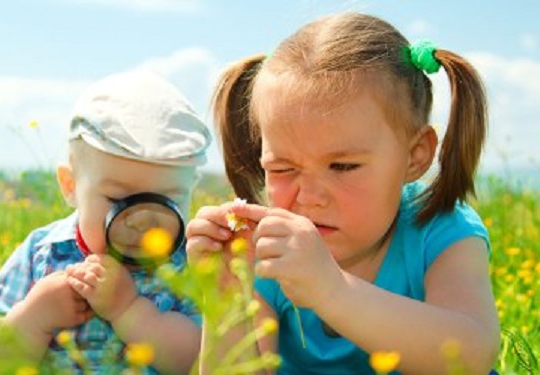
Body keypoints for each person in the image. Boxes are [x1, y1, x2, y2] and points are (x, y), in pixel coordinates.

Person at [186, 11, 500, 374]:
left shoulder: (441, 230)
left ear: (414, 157)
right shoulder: (266, 251)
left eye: (343, 167)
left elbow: (472, 356)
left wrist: (331, 290)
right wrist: (224, 295)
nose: (309, 197)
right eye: (282, 169)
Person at [0, 71, 211, 374]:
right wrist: (33, 317)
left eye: (168, 201)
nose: (143, 222)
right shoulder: (42, 254)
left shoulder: (192, 264)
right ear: (70, 185)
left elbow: (202, 363)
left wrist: (130, 311)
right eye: (118, 200)